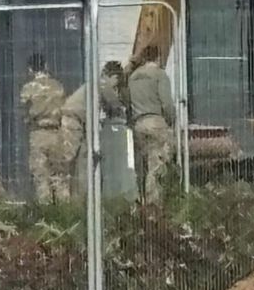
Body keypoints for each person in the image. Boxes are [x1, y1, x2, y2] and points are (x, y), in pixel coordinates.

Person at [60, 60, 126, 201]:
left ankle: (78, 198)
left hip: (78, 122)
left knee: (81, 160)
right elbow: (114, 104)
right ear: (111, 76)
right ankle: (65, 198)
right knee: (68, 160)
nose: (115, 85)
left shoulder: (95, 85)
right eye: (116, 81)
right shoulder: (102, 84)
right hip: (73, 121)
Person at [126, 47, 176, 206]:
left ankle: (140, 199)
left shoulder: (132, 77)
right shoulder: (159, 75)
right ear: (158, 57)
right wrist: (171, 121)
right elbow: (166, 103)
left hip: (138, 124)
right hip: (156, 122)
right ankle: (154, 206)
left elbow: (127, 102)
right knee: (157, 166)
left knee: (143, 165)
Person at [19, 53, 70, 201]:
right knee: (59, 175)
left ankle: (45, 211)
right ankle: (65, 210)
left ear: (30, 69)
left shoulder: (28, 89)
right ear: (46, 66)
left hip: (38, 133)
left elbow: (23, 111)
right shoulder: (58, 86)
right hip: (57, 133)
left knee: (41, 176)